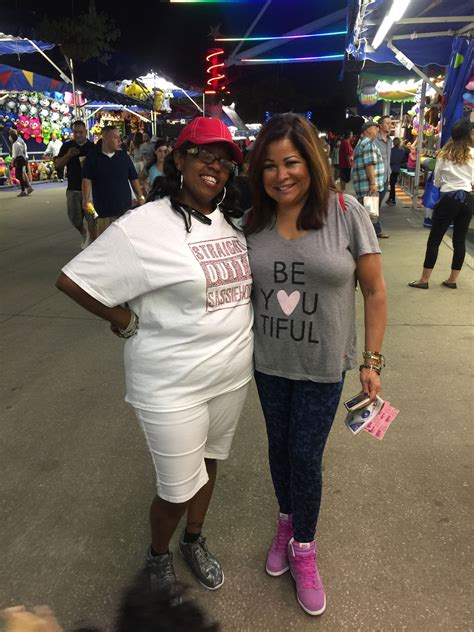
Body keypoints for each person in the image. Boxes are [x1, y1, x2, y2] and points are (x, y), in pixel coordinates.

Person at [55, 117, 253, 603]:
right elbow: (73, 279)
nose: (216, 166)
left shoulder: (231, 219)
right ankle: (158, 554)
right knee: (176, 488)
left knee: (210, 465)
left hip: (230, 378)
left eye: (225, 160)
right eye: (205, 153)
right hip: (171, 385)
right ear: (177, 157)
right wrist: (120, 317)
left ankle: (193, 540)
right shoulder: (144, 225)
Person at [245, 113, 387, 617]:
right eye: (269, 166)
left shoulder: (346, 212)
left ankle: (304, 547)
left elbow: (374, 291)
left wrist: (371, 362)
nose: (280, 175)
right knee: (279, 450)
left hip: (324, 366)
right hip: (269, 363)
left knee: (306, 456)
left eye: (291, 162)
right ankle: (285, 520)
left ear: (313, 161)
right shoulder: (253, 222)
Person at [408, 118, 473, 290]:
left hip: (448, 198)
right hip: (467, 199)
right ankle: (452, 280)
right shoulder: (473, 153)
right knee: (460, 241)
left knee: (434, 240)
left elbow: (437, 182)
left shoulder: (444, 154)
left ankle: (424, 279)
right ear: (468, 135)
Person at [81, 125, 145, 240]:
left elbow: (133, 178)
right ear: (105, 139)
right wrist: (86, 198)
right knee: (105, 244)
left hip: (125, 211)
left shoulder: (123, 156)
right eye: (116, 137)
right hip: (103, 212)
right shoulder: (93, 157)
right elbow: (87, 179)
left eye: (119, 138)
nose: (119, 141)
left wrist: (140, 196)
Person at [55, 120, 96, 249]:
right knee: (74, 218)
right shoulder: (67, 146)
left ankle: (93, 242)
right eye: (75, 132)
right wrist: (68, 155)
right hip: (73, 189)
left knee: (92, 218)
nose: (78, 135)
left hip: (90, 192)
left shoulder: (93, 148)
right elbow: (58, 165)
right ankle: (83, 232)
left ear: (86, 132)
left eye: (81, 132)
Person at [353, 121, 389, 238]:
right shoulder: (368, 143)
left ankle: (368, 237)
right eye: (375, 128)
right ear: (368, 130)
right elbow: (369, 165)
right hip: (368, 187)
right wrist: (373, 183)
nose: (377, 130)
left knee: (367, 214)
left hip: (363, 186)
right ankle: (368, 240)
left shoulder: (361, 143)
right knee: (370, 216)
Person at [374, 115, 393, 209]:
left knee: (378, 205)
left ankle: (375, 222)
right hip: (375, 178)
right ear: (380, 125)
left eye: (391, 123)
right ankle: (373, 223)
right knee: (372, 205)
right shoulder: (374, 140)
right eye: (387, 123)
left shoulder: (390, 141)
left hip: (386, 178)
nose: (390, 125)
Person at [9, 130, 33, 197]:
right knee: (21, 174)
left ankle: (25, 189)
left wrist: (12, 163)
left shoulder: (15, 144)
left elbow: (14, 155)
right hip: (23, 159)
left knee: (18, 175)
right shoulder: (21, 142)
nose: (9, 138)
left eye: (10, 136)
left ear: (12, 136)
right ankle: (27, 187)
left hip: (19, 160)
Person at [386, 137, 407, 205]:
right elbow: (403, 159)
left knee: (392, 185)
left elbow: (390, 160)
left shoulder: (391, 151)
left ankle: (393, 199)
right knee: (392, 185)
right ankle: (390, 198)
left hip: (391, 168)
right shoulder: (402, 151)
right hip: (397, 169)